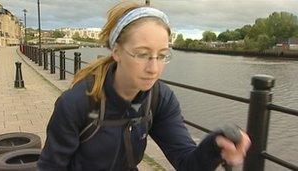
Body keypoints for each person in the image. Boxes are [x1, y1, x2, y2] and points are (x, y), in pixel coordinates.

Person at [37, 1, 251, 171]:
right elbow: (50, 166)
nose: (154, 68)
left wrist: (215, 144)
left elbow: (187, 163)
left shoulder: (159, 98)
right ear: (117, 51)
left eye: (162, 56)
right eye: (142, 54)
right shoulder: (76, 103)